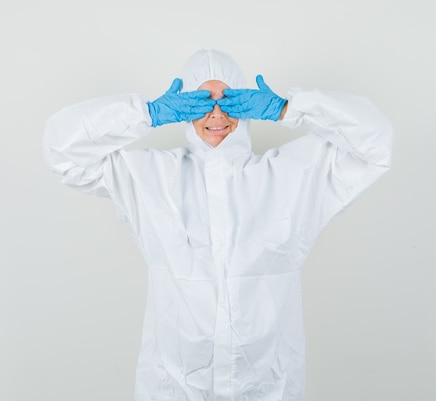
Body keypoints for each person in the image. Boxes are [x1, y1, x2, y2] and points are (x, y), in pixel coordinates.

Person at [43, 49, 393, 401]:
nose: (215, 113)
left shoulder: (290, 175)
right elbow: (62, 152)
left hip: (268, 384)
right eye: (200, 102)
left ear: (247, 104)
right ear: (183, 106)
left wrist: (289, 108)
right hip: (174, 385)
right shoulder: (151, 176)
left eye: (228, 100)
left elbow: (376, 145)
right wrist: (146, 114)